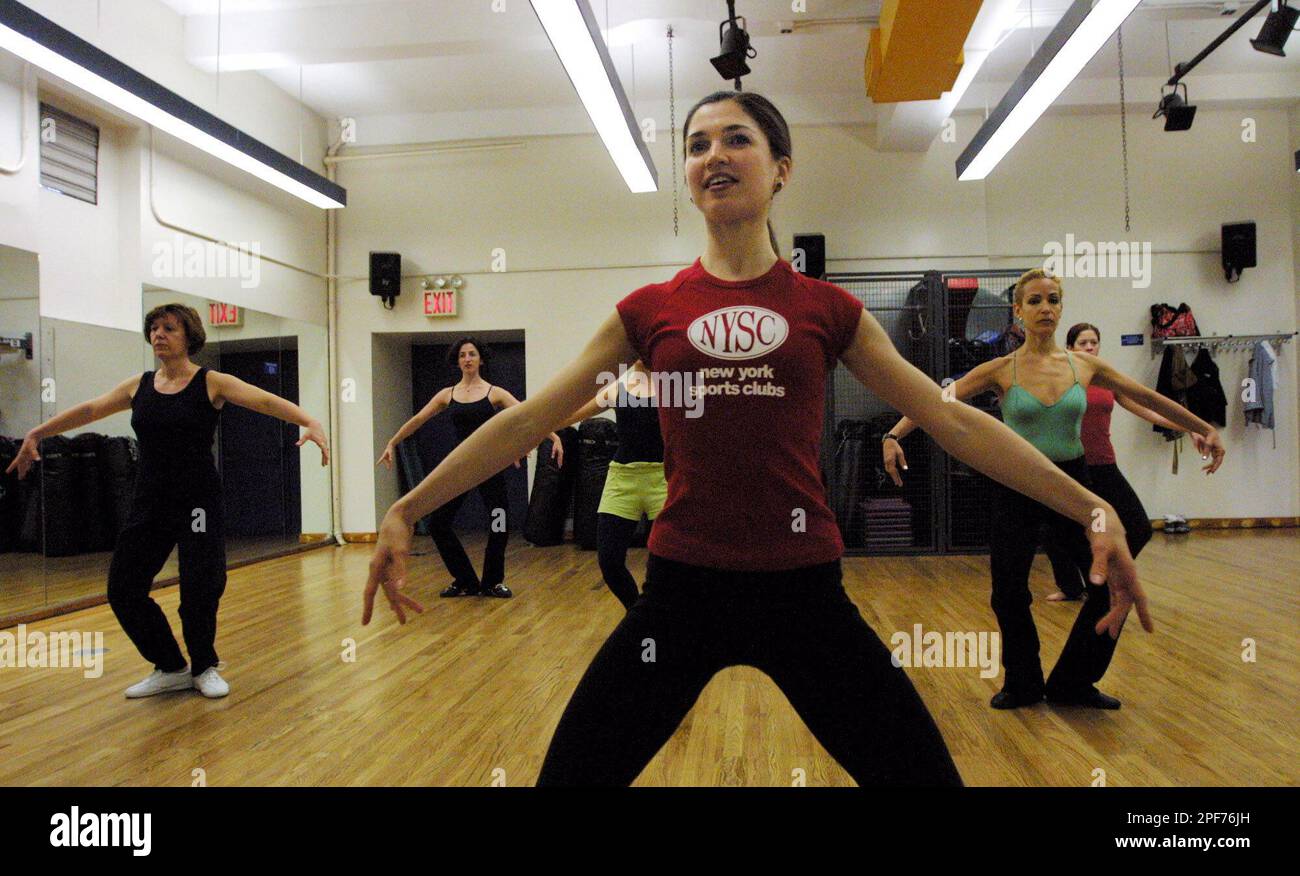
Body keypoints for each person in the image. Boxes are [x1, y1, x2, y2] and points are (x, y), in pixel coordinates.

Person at [363, 91, 1151, 786]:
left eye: (736, 138)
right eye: (697, 144)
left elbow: (950, 418)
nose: (714, 155)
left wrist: (1091, 510)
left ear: (781, 169)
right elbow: (530, 420)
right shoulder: (648, 311)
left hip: (803, 593)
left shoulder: (828, 309)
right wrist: (409, 509)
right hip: (681, 593)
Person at [883, 272, 1223, 710]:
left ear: (1061, 309)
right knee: (1008, 592)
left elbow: (1146, 397)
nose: (1046, 308)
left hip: (1072, 486)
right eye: (1036, 301)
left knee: (1106, 587)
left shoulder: (1086, 366)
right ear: (1018, 311)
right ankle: (1022, 684)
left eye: (1053, 300)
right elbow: (937, 401)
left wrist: (1201, 427)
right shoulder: (1001, 369)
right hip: (1016, 487)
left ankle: (1074, 683)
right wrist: (894, 433)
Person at [5, 303, 329, 698]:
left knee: (201, 586)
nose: (159, 334)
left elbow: (262, 401)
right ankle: (170, 666)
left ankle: (204, 665)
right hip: (151, 501)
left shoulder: (211, 382)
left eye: (169, 328)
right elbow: (90, 409)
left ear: (188, 336)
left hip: (197, 503)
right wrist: (37, 432)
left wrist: (309, 422)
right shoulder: (137, 386)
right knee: (123, 588)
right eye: (154, 328)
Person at [378, 337, 563, 598]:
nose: (467, 359)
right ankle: (464, 579)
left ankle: (493, 582)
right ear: (458, 360)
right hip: (460, 469)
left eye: (472, 354)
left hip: (490, 466)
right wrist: (392, 442)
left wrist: (553, 437)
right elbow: (419, 419)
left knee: (498, 524)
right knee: (439, 524)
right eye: (463, 355)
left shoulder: (494, 393)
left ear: (481, 359)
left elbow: (527, 415)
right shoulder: (447, 394)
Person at [1042, 323, 1193, 601]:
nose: (1089, 347)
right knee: (1060, 532)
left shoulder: (1107, 380)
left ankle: (1106, 577)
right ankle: (1072, 588)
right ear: (1070, 347)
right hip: (1072, 464)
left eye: (1093, 342)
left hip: (1104, 464)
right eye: (1083, 343)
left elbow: (1144, 407)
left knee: (1138, 527)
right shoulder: (1064, 379)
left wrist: (1186, 425)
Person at [565, 360, 665, 610]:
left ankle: (657, 621)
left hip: (664, 479)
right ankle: (637, 615)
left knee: (665, 567)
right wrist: (539, 432)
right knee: (609, 561)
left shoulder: (675, 388)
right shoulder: (616, 388)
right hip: (622, 479)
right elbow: (570, 415)